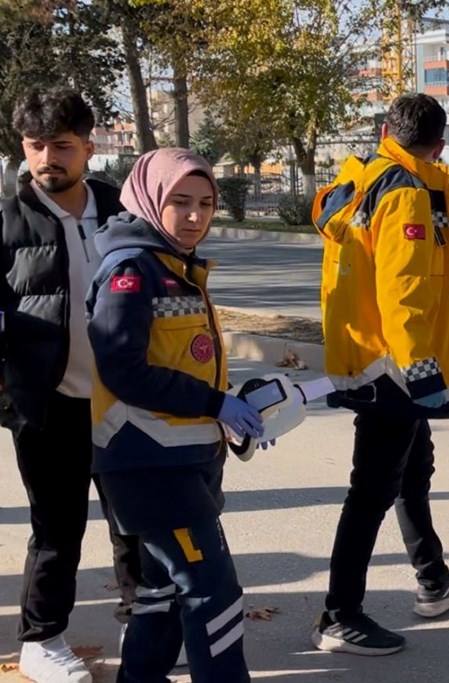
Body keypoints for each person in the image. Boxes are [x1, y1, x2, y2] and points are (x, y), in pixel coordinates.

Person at [310, 93, 449, 656]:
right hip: (395, 364)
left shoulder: (363, 177)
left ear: (388, 130)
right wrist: (423, 374)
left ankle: (433, 577)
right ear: (439, 145)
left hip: (369, 354)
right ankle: (339, 614)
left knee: (413, 467)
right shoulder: (406, 193)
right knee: (373, 488)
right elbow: (403, 293)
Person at [87, 148, 270, 683]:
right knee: (213, 592)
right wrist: (216, 405)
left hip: (185, 458)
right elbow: (123, 370)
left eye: (206, 203)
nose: (195, 215)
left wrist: (236, 407)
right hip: (148, 465)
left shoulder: (174, 265)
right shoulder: (132, 270)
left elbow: (183, 362)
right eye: (180, 202)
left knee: (163, 589)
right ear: (149, 200)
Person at [0, 86, 141, 683]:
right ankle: (42, 639)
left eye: (61, 146)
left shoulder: (123, 210)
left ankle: (147, 621)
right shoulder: (5, 218)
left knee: (135, 521)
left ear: (89, 146)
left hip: (125, 398)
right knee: (56, 529)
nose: (47, 159)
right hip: (47, 403)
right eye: (36, 147)